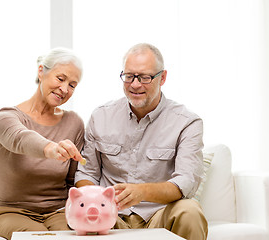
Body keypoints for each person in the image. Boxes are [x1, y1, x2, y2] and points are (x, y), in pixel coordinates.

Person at [75, 43, 208, 240]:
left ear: (162, 77)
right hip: (110, 216)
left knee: (190, 211)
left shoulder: (187, 122)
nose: (135, 85)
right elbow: (87, 173)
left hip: (160, 214)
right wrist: (99, 202)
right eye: (129, 76)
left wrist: (142, 191)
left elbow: (185, 182)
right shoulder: (101, 116)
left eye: (145, 77)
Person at [0, 47, 85, 240]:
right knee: (38, 238)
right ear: (41, 71)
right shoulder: (6, 117)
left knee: (74, 237)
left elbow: (73, 180)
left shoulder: (74, 123)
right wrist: (51, 148)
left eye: (72, 85)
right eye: (60, 78)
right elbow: (20, 138)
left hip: (58, 212)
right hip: (11, 213)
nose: (64, 89)